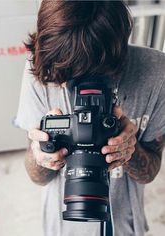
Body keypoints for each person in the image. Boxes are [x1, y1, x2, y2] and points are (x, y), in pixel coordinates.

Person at [15, 1, 165, 236]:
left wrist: (128, 149)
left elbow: (150, 171)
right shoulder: (42, 66)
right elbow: (37, 176)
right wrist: (43, 154)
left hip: (123, 224)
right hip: (61, 223)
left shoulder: (156, 73)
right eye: (65, 76)